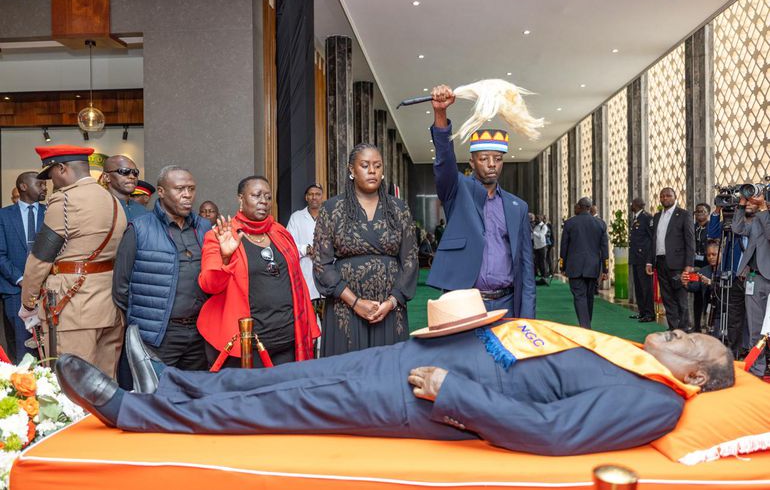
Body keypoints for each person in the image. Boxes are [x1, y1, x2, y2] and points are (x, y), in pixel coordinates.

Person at [56, 288, 735, 457]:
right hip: (424, 355)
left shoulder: (654, 401)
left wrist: (457, 392)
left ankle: (131, 412)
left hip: (426, 394)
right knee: (281, 380)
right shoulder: (632, 358)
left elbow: (553, 432)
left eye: (695, 342)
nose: (681, 331)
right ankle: (171, 384)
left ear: (698, 378)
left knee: (278, 408)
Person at [426, 84, 535, 317]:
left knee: (504, 355)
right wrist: (440, 114)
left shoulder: (518, 207)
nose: (492, 164)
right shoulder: (457, 191)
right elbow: (444, 160)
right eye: (484, 158)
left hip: (507, 303)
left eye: (497, 158)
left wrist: (527, 320)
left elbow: (526, 268)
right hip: (466, 303)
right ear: (472, 162)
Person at [18, 145, 127, 377]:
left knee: (72, 384)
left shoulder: (65, 201)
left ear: (62, 168)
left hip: (73, 307)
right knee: (106, 385)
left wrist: (28, 303)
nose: (51, 182)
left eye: (51, 175)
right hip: (110, 307)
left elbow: (40, 259)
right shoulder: (114, 201)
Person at [197, 176, 320, 368]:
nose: (264, 200)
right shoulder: (220, 236)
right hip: (246, 343)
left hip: (287, 340)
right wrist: (226, 257)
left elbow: (298, 284)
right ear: (240, 199)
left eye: (268, 197)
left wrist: (307, 327)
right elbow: (209, 285)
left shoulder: (280, 233)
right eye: (256, 195)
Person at [312, 143, 418, 356]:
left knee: (386, 372)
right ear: (351, 170)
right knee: (347, 374)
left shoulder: (398, 209)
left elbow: (410, 260)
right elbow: (321, 264)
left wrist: (390, 302)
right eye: (365, 165)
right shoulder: (332, 209)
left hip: (389, 308)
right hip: (345, 307)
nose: (372, 171)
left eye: (377, 166)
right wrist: (355, 302)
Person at [112, 166, 211, 371]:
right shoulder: (139, 227)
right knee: (156, 396)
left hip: (200, 332)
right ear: (162, 191)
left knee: (195, 396)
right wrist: (144, 319)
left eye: (191, 189)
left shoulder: (203, 227)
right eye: (180, 189)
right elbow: (121, 287)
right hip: (158, 335)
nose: (187, 195)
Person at [0, 172, 47, 361]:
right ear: (23, 186)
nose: (45, 188)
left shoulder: (52, 212)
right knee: (21, 346)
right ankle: (25, 386)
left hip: (48, 290)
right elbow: (0, 255)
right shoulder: (3, 215)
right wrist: (22, 280)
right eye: (40, 184)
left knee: (48, 343)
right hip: (14, 290)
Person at [730, 194, 770, 377]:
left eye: (757, 198)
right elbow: (737, 228)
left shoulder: (764, 216)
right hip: (755, 278)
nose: (753, 201)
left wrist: (763, 209)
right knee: (755, 327)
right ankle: (758, 369)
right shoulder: (755, 220)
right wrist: (740, 206)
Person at [646, 188, 695, 331]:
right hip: (660, 262)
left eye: (668, 195)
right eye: (662, 196)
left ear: (675, 197)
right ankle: (673, 328)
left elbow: (690, 240)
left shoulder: (683, 215)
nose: (665, 198)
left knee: (681, 298)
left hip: (678, 264)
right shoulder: (656, 216)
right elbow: (653, 240)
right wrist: (650, 261)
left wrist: (689, 265)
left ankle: (684, 329)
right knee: (667, 298)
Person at [559, 198, 609, 329]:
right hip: (593, 267)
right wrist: (606, 269)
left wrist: (562, 265)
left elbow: (564, 246)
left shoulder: (570, 223)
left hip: (575, 266)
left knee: (579, 297)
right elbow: (604, 248)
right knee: (589, 297)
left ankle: (585, 327)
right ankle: (587, 323)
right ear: (590, 207)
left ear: (580, 207)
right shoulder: (600, 224)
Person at [707, 204, 747, 355]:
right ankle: (732, 351)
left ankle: (744, 350)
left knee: (745, 318)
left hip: (747, 275)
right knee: (732, 316)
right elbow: (712, 233)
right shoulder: (729, 224)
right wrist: (717, 210)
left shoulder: (751, 222)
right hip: (730, 275)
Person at [286, 184, 324, 303]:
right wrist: (306, 249)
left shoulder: (329, 216)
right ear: (306, 197)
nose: (314, 197)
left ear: (322, 197)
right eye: (311, 194)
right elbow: (288, 244)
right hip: (305, 271)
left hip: (327, 272)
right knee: (308, 315)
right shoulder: (296, 217)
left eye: (317, 194)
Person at [682, 240, 720, 330]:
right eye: (708, 255)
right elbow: (695, 287)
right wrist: (685, 283)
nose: (711, 257)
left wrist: (710, 282)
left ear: (721, 253)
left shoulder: (727, 270)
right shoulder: (703, 271)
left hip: (723, 309)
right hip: (708, 307)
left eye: (714, 254)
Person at [630, 197, 655, 323]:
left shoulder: (647, 218)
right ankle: (642, 312)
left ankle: (650, 313)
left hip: (644, 258)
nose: (631, 206)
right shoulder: (636, 218)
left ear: (636, 205)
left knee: (646, 287)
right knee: (639, 287)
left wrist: (649, 260)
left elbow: (651, 240)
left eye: (632, 204)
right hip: (635, 258)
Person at [102, 155, 147, 221]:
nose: (132, 176)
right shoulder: (99, 208)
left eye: (135, 173)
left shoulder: (142, 210)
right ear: (106, 177)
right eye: (124, 171)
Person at [692, 203, 711, 332]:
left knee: (708, 296)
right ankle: (697, 325)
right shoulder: (692, 227)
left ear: (708, 213)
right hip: (695, 266)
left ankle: (708, 324)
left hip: (708, 265)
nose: (699, 213)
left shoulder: (712, 227)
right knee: (697, 295)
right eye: (697, 211)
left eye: (702, 211)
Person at [532, 215, 549, 283]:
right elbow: (533, 236)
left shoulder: (544, 226)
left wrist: (533, 232)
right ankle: (541, 276)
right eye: (536, 218)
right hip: (536, 246)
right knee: (537, 262)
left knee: (543, 262)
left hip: (542, 246)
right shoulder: (536, 226)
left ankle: (544, 276)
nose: (536, 220)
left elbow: (541, 236)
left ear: (541, 219)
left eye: (537, 219)